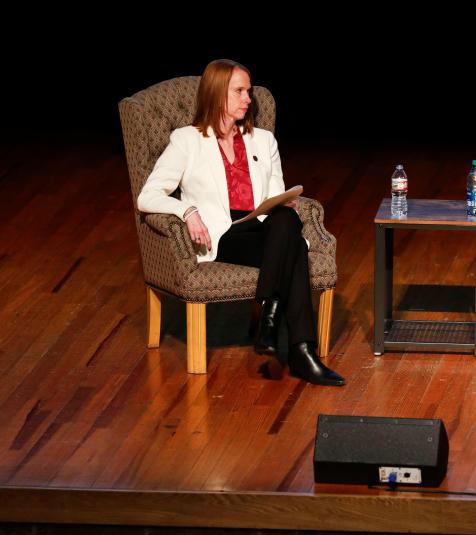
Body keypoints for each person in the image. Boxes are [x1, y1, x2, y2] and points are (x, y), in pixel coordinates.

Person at [138, 59, 344, 386]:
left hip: (263, 226)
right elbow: (147, 196)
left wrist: (283, 200)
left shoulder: (263, 141)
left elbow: (275, 194)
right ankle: (301, 351)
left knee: (286, 221)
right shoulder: (186, 141)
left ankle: (271, 313)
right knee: (292, 242)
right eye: (240, 91)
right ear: (218, 94)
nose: (249, 99)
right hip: (223, 234)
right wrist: (187, 211)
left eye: (249, 91)